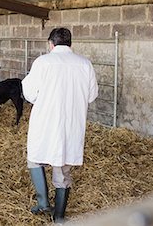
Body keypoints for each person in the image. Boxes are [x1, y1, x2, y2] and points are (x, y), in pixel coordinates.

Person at [21, 27, 98, 224]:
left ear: (51, 43)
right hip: (71, 124)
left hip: (45, 122)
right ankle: (60, 216)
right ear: (70, 44)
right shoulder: (85, 64)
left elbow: (29, 94)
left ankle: (43, 203)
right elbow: (91, 95)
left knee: (35, 158)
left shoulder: (43, 62)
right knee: (63, 168)